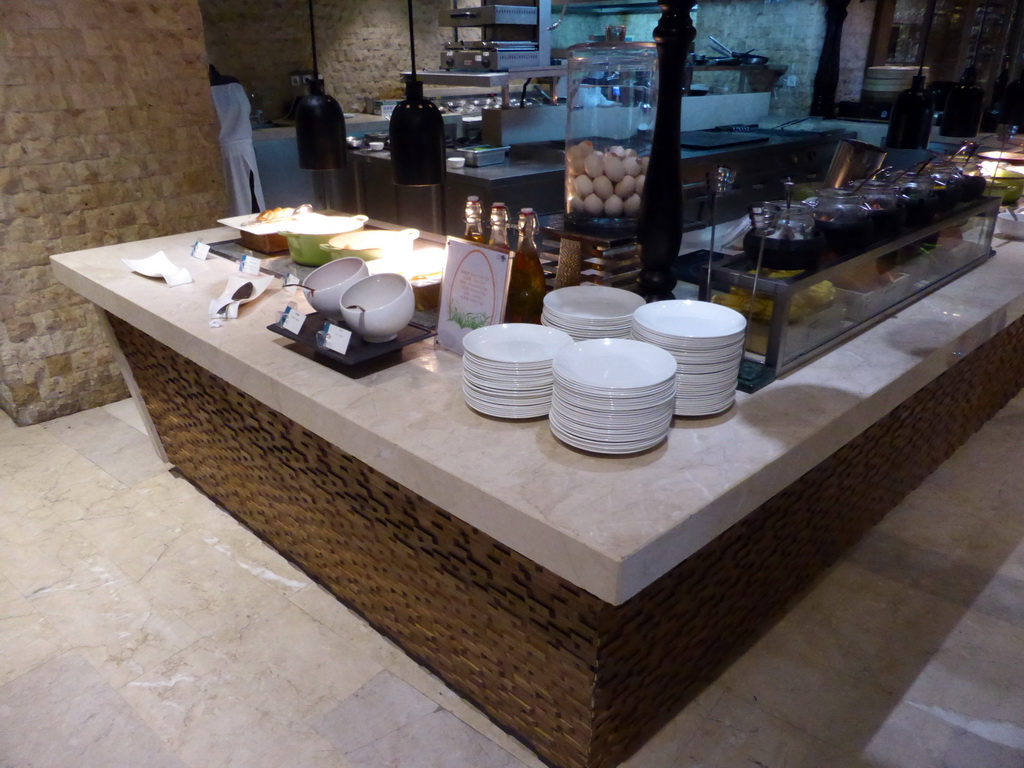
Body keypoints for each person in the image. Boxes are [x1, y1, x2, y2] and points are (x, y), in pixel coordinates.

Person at [209, 65, 266, 216]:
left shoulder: (219, 88)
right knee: (248, 198)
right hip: (239, 148)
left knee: (244, 198)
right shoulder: (233, 86)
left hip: (233, 147)